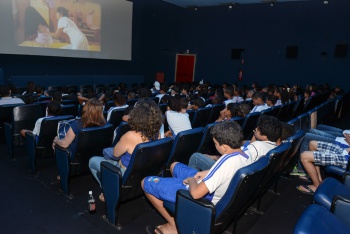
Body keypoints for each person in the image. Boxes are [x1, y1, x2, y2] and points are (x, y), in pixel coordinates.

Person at [142, 121, 249, 234]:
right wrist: (208, 172)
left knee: (145, 182)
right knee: (174, 166)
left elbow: (196, 193)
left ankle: (173, 225)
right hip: (208, 186)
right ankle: (182, 213)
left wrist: (192, 180)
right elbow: (226, 172)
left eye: (215, 144)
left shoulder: (226, 161)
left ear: (224, 147)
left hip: (204, 197)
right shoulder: (245, 154)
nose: (215, 146)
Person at [89, 99, 163, 201]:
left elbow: (115, 154)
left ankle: (108, 191)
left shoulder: (130, 135)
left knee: (92, 161)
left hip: (126, 174)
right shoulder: (157, 134)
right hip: (144, 173)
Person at [188, 115, 282, 171]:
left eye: (258, 128)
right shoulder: (271, 146)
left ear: (264, 135)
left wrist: (215, 157)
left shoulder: (257, 146)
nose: (256, 129)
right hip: (236, 169)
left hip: (226, 171)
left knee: (195, 157)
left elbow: (235, 157)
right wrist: (255, 136)